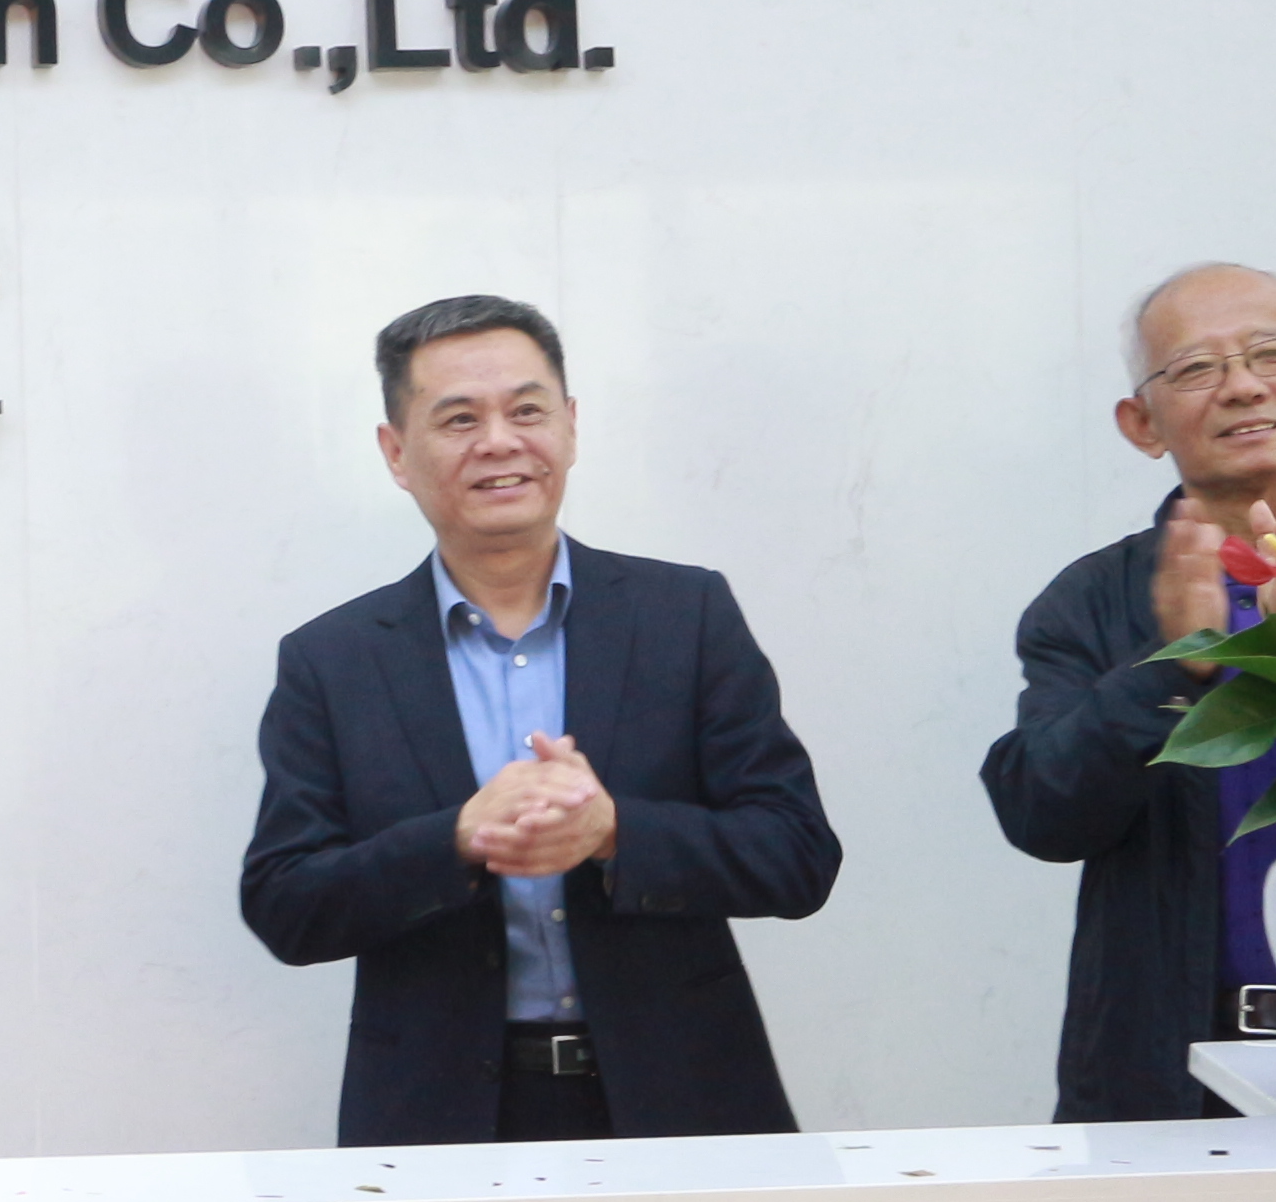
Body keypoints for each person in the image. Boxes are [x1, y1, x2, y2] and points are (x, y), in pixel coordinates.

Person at [240, 294, 841, 1144]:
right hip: (436, 1122)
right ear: (396, 452)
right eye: (459, 418)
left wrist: (615, 832)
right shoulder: (334, 661)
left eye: (527, 411)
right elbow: (285, 904)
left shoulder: (685, 616)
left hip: (684, 1106)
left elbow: (798, 855)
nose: (499, 441)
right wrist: (455, 838)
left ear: (570, 426)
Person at [977, 262, 1276, 1120]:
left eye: (1271, 354)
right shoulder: (1092, 600)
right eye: (1197, 368)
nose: (1242, 386)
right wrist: (1176, 661)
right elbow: (1042, 813)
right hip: (1164, 1062)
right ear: (1142, 424)